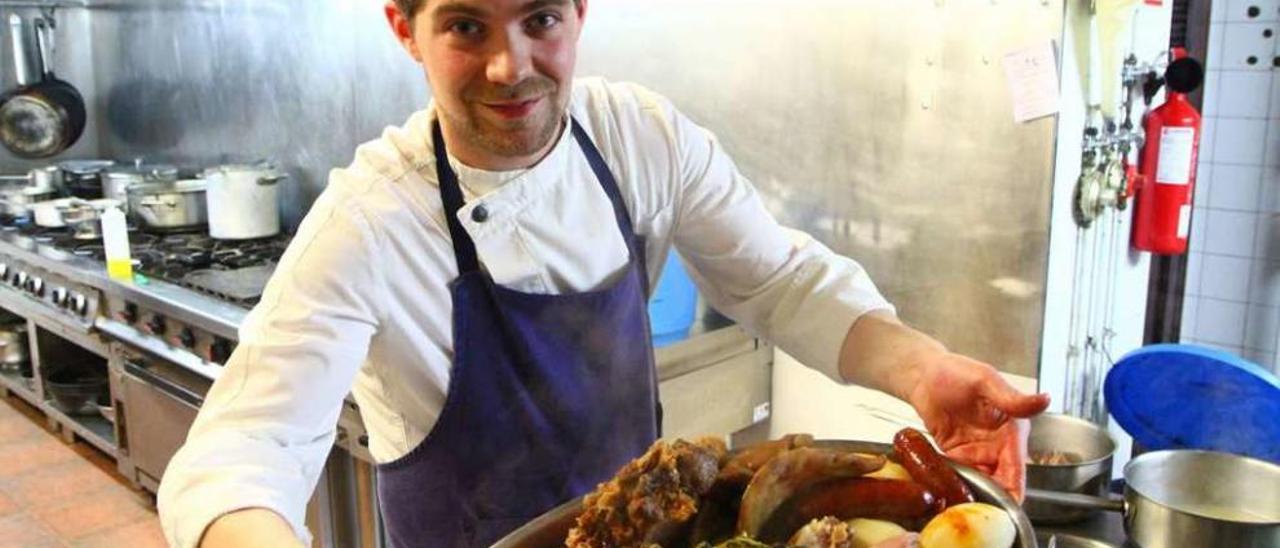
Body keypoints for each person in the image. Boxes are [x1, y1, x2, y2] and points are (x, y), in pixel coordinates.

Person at [158, 1, 1051, 546]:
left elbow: (779, 281)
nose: (513, 67)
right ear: (406, 29)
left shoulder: (639, 139)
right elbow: (241, 455)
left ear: (579, 11)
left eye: (540, 18)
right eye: (467, 26)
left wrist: (923, 370)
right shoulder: (370, 223)